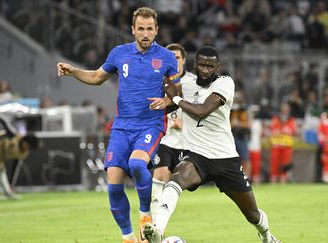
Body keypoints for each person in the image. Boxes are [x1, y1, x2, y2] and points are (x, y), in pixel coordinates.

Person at [57, 7, 180, 243]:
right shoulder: (119, 53)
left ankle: (145, 214)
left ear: (157, 31)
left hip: (150, 125)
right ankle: (128, 237)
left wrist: (166, 100)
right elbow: (96, 77)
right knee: (113, 179)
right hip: (122, 127)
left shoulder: (166, 57)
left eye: (150, 29)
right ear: (133, 30)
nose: (145, 34)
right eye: (141, 29)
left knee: (136, 163)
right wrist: (73, 72)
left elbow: (176, 95)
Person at [143, 46, 281, 243]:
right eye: (202, 65)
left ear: (218, 66)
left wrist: (174, 97)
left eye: (210, 66)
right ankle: (158, 229)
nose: (205, 69)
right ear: (195, 65)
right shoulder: (186, 83)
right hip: (197, 156)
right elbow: (170, 104)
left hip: (225, 159)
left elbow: (201, 111)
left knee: (252, 215)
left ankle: (267, 236)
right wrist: (163, 99)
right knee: (176, 180)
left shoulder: (225, 83)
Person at [150, 43, 196, 221]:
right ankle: (154, 227)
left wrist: (185, 123)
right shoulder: (159, 81)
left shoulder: (193, 82)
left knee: (176, 184)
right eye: (170, 58)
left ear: (183, 60)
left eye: (177, 58)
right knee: (160, 175)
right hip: (167, 139)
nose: (174, 61)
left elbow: (201, 108)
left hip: (189, 141)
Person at [0, 113, 41, 200]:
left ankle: (7, 192)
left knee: (1, 170)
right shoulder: (14, 136)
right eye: (28, 146)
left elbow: (15, 167)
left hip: (1, 155)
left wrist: (11, 183)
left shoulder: (23, 152)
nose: (28, 149)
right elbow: (6, 123)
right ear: (25, 142)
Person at [269, 102, 297, 183]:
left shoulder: (292, 120)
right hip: (276, 145)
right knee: (274, 164)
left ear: (289, 110)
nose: (285, 110)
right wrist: (282, 130)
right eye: (284, 108)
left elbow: (293, 131)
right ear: (281, 109)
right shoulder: (275, 119)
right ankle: (273, 180)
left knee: (285, 165)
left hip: (287, 146)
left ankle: (283, 180)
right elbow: (273, 130)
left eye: (286, 108)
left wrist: (282, 130)